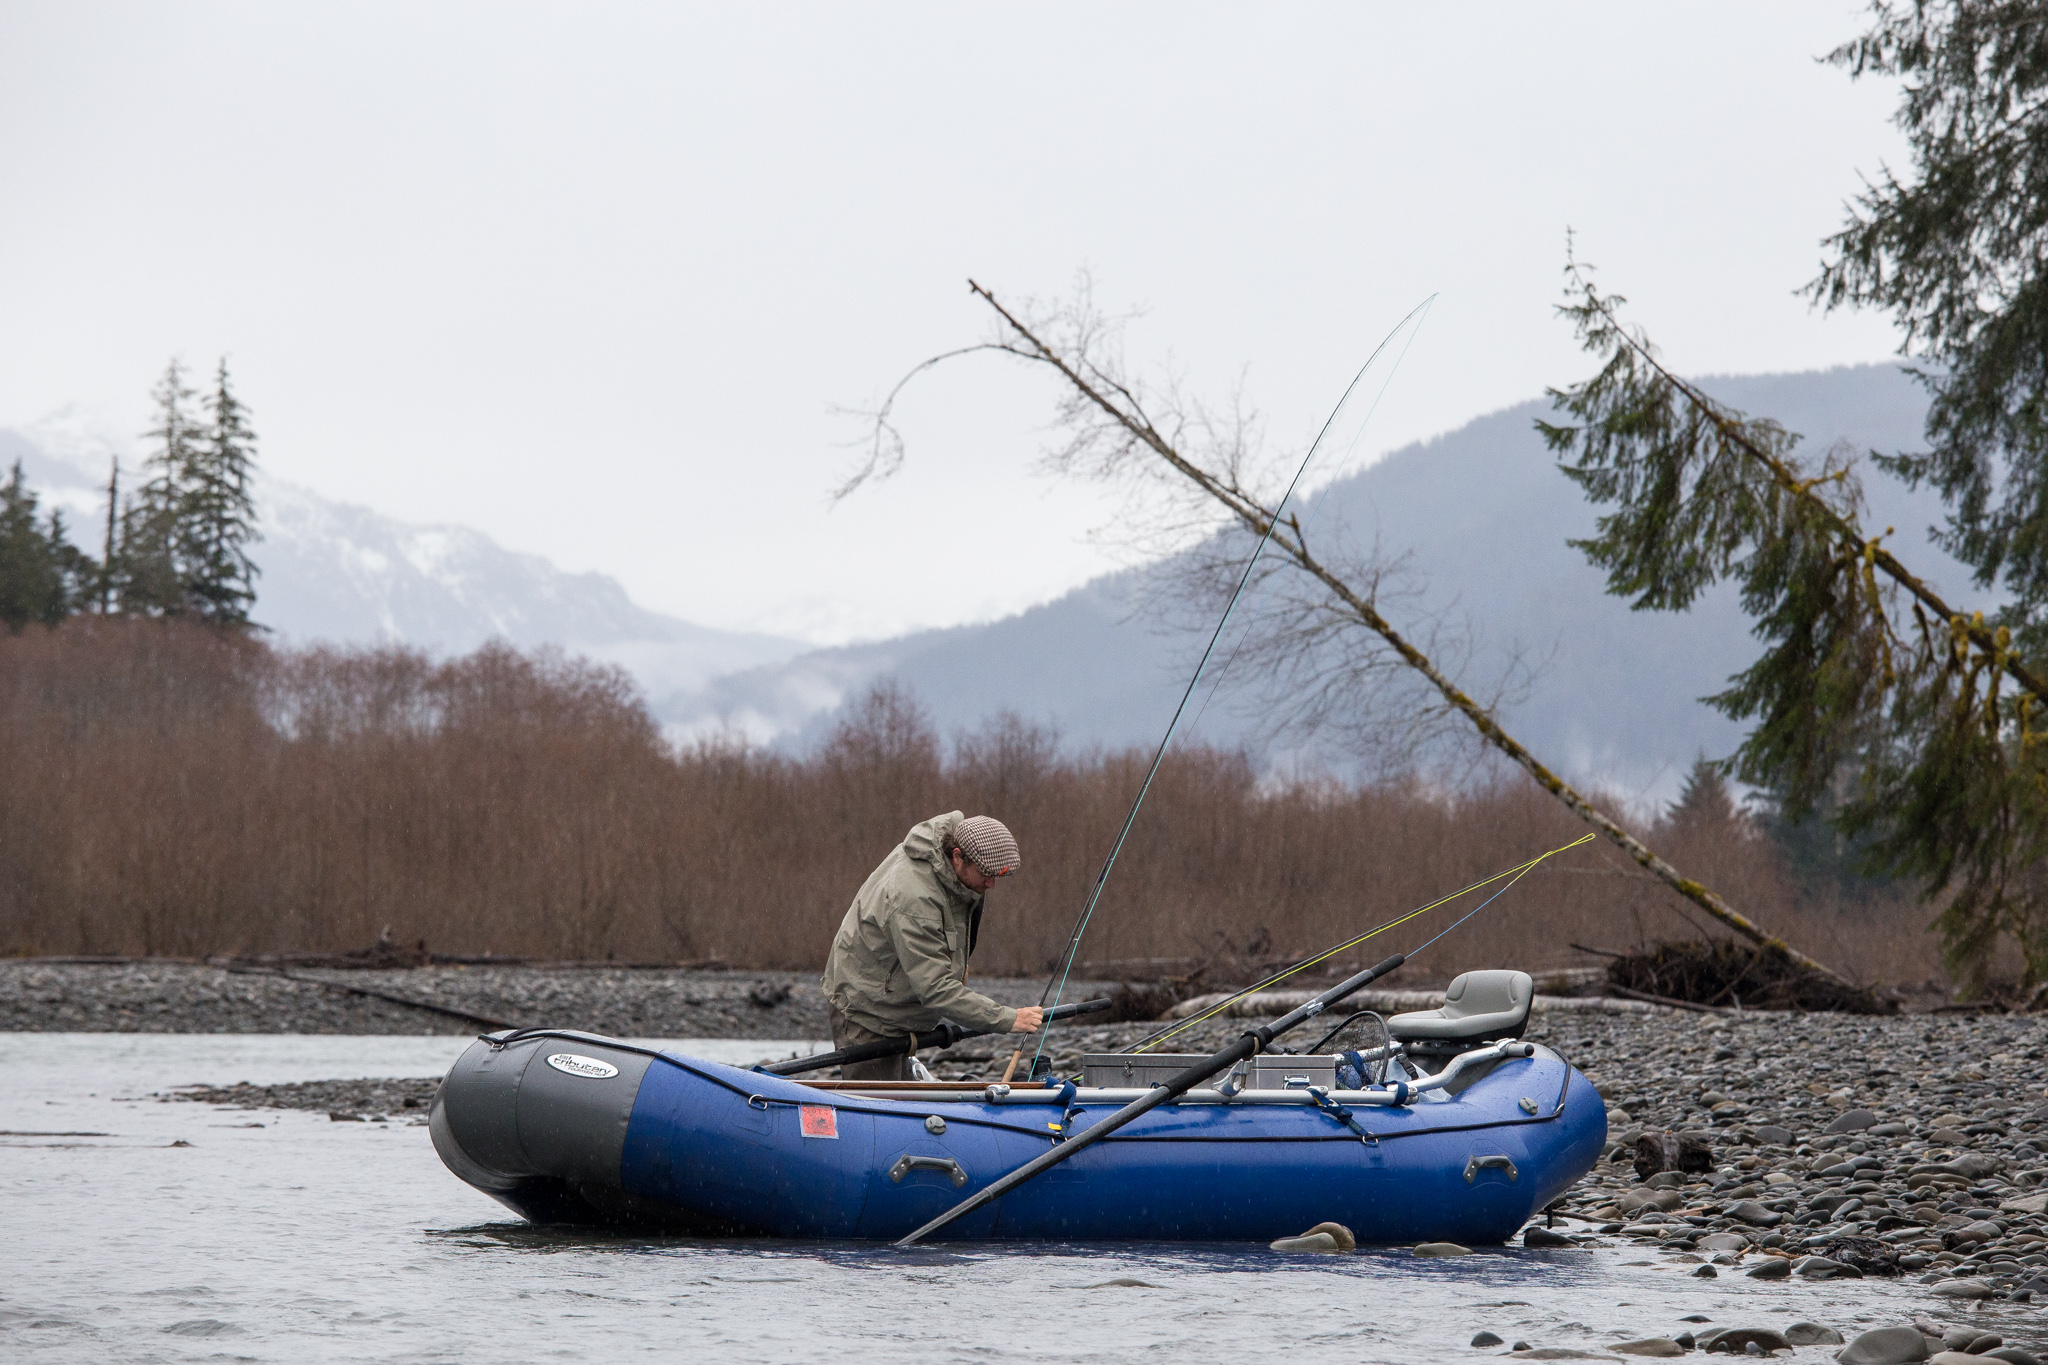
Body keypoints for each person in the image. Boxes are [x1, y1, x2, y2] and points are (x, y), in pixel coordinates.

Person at [821, 811, 1044, 1081]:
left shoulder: (949, 865)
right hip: (866, 1011)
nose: (992, 884)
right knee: (879, 1115)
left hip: (896, 1005)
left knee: (901, 1107)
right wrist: (1008, 1019)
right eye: (986, 874)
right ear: (958, 856)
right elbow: (936, 989)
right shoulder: (914, 899)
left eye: (998, 875)